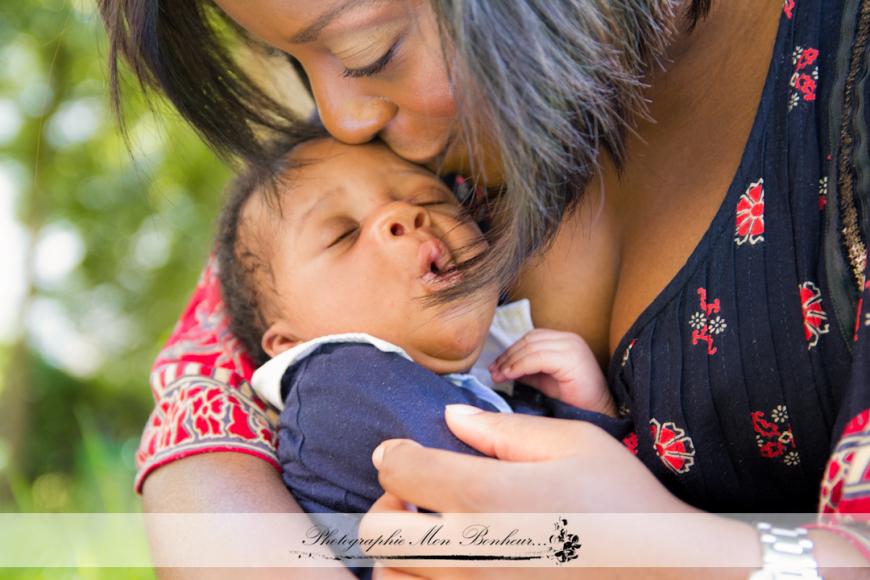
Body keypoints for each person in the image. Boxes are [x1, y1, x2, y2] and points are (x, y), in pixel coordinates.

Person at [98, 0, 870, 576]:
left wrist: (685, 555)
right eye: (302, 65)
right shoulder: (377, 168)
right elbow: (205, 399)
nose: (339, 116)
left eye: (368, 52)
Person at [217, 135, 623, 516]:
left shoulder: (481, 374)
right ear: (290, 343)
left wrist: (587, 411)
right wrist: (582, 426)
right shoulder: (335, 383)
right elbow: (529, 498)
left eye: (429, 197)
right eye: (344, 235)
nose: (406, 215)